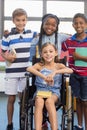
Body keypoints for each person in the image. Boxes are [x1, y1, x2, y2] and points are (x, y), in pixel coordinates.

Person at [1, 8, 37, 130]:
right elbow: (3, 52)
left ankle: (23, 120)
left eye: (23, 20)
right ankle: (10, 123)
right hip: (11, 72)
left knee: (23, 99)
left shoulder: (31, 34)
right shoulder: (8, 36)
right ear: (13, 21)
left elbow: (44, 35)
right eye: (18, 20)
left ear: (26, 20)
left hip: (25, 72)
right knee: (11, 98)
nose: (21, 23)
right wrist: (7, 57)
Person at [27, 43, 73, 130]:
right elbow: (29, 69)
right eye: (45, 52)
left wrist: (55, 72)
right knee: (39, 102)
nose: (48, 54)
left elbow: (70, 70)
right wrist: (44, 77)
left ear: (56, 53)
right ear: (41, 54)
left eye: (51, 51)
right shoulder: (39, 66)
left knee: (49, 101)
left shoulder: (58, 66)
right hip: (40, 91)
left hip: (54, 92)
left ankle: (54, 128)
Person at [62, 13, 87, 130]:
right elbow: (58, 48)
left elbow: (79, 57)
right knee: (77, 101)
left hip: (86, 76)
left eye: (81, 23)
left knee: (85, 102)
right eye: (76, 23)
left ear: (86, 25)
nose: (78, 25)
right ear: (73, 25)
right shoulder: (69, 41)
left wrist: (80, 58)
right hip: (74, 75)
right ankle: (80, 125)